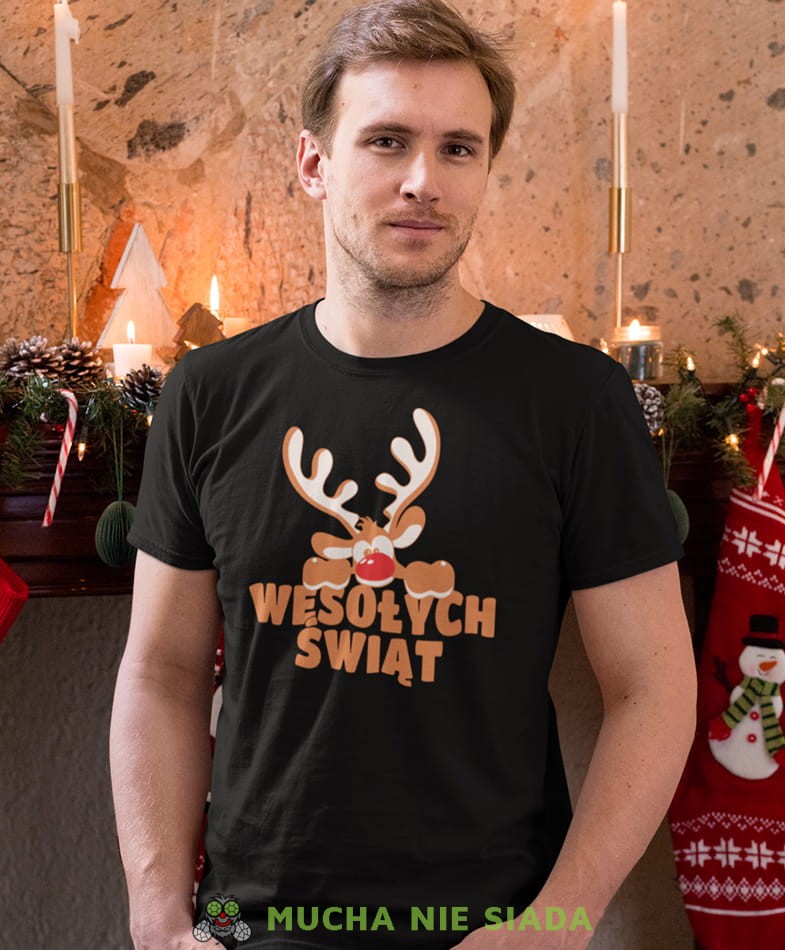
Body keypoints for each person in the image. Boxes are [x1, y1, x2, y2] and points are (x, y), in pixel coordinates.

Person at [109, 1, 696, 947]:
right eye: (386, 141)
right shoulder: (209, 392)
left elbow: (652, 689)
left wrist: (559, 921)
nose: (424, 180)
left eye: (458, 149)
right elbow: (162, 674)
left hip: (484, 927)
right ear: (314, 164)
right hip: (251, 924)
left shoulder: (576, 400)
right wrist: (156, 916)